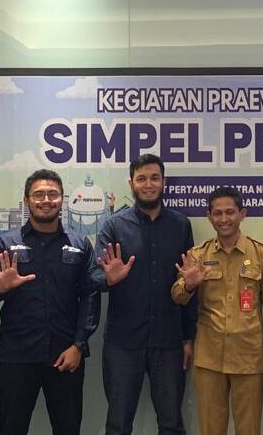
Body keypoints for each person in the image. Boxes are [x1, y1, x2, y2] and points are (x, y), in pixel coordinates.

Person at [0, 169, 101, 435]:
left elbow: (90, 297)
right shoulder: (3, 243)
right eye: (39, 194)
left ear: (62, 199)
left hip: (65, 355)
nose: (46, 200)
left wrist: (79, 345)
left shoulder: (80, 243)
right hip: (17, 356)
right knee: (11, 428)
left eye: (53, 194)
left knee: (68, 429)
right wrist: (1, 287)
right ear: (27, 200)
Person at [91, 154, 197, 435]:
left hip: (169, 341)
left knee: (172, 424)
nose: (148, 184)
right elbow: (94, 276)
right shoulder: (114, 226)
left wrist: (188, 338)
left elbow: (188, 281)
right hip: (123, 343)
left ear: (163, 182)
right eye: (141, 179)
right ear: (131, 183)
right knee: (118, 424)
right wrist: (109, 278)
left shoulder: (180, 225)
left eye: (154, 178)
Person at [171, 186, 263, 435]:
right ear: (209, 216)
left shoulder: (261, 254)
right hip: (209, 359)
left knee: (249, 429)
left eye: (230, 212)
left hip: (249, 358)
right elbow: (177, 296)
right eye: (217, 213)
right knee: (211, 429)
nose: (224, 219)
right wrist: (189, 285)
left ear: (242, 213)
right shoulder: (198, 255)